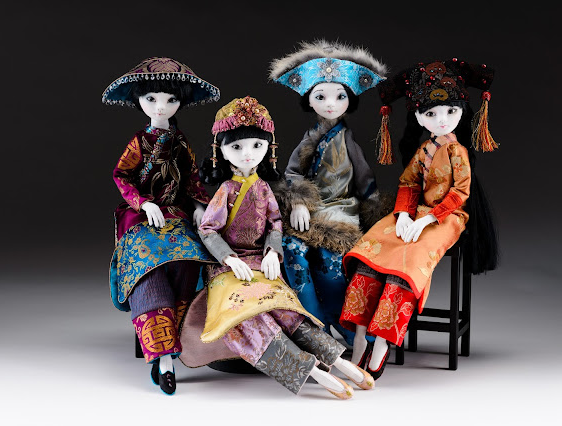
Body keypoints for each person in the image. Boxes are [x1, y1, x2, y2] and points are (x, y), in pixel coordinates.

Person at [178, 97, 374, 399]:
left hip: (261, 261)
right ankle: (311, 371)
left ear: (269, 148)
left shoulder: (264, 188)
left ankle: (336, 359)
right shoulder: (226, 191)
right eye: (237, 147)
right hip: (228, 269)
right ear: (221, 150)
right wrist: (229, 258)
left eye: (257, 146)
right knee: (248, 316)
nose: (247, 154)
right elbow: (207, 229)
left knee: (284, 308)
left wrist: (272, 251)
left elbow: (275, 223)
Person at [339, 58, 500, 379]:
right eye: (431, 114)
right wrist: (402, 214)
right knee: (373, 245)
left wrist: (427, 220)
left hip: (447, 216)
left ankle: (383, 340)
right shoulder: (423, 149)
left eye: (450, 112)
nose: (441, 120)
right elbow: (409, 183)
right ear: (417, 117)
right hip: (415, 212)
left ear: (461, 112)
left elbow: (460, 192)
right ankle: (359, 336)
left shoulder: (458, 151)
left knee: (411, 257)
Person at [102, 57, 220, 395]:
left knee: (189, 260)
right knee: (147, 264)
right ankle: (163, 355)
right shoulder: (139, 141)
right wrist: (143, 202)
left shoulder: (180, 141)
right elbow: (121, 175)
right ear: (139, 100)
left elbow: (192, 179)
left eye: (170, 100)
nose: (160, 107)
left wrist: (200, 206)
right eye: (151, 99)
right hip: (141, 215)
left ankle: (178, 335)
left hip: (176, 213)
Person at [269, 40, 390, 345]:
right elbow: (292, 172)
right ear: (309, 100)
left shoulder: (347, 139)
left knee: (328, 258)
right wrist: (298, 201)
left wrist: (374, 211)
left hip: (341, 209)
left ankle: (341, 320)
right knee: (292, 249)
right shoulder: (310, 138)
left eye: (340, 96)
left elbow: (365, 180)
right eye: (321, 96)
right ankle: (314, 326)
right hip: (310, 211)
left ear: (350, 99)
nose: (330, 104)